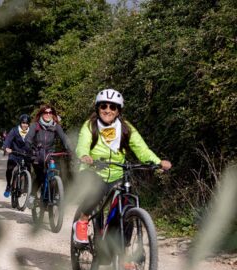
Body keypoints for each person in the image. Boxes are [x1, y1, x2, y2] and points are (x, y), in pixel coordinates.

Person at [73, 88, 172, 244]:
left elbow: (142, 149)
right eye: (103, 106)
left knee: (127, 206)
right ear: (97, 108)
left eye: (113, 107)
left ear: (118, 111)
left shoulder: (126, 128)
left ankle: (122, 250)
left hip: (118, 173)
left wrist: (158, 162)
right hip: (93, 170)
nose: (107, 110)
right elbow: (82, 145)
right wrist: (85, 156)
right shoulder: (90, 126)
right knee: (96, 190)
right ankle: (83, 220)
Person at [25, 105, 72, 208]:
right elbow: (28, 138)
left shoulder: (56, 126)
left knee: (56, 172)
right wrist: (30, 148)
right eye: (45, 112)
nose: (48, 114)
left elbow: (64, 138)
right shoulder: (35, 125)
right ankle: (32, 196)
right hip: (37, 154)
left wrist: (70, 150)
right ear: (41, 114)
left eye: (50, 113)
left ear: (53, 114)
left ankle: (55, 194)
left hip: (50, 154)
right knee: (40, 176)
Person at [2, 114, 31, 198]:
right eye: (23, 123)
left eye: (26, 123)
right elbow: (8, 139)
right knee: (10, 168)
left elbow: (35, 142)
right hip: (14, 153)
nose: (25, 125)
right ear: (20, 123)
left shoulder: (31, 132)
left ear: (29, 124)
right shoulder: (14, 130)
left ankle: (26, 187)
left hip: (25, 154)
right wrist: (6, 147)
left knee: (28, 169)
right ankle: (8, 186)